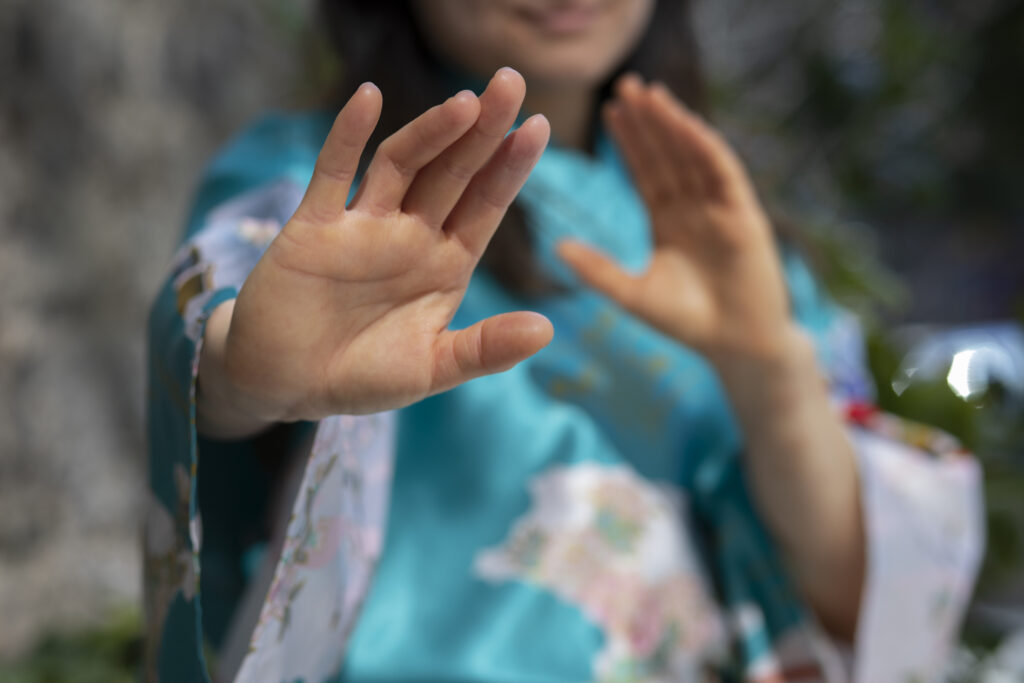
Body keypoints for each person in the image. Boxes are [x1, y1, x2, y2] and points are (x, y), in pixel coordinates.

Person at [144, 1, 984, 681]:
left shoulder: (720, 224)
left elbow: (861, 599)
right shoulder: (320, 184)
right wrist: (247, 369)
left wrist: (766, 363)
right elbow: (220, 344)